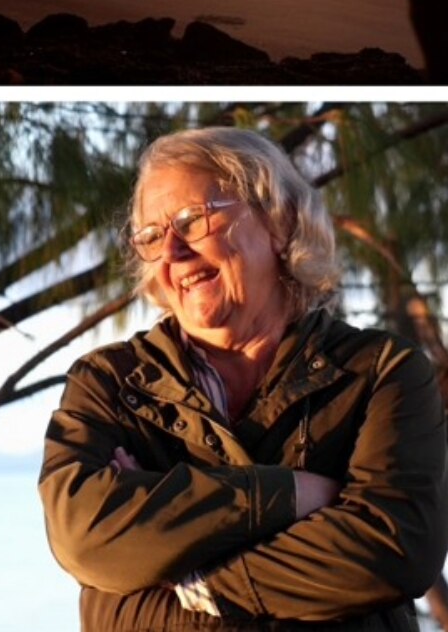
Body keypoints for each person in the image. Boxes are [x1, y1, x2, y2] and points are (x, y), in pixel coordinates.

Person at [39, 128, 448, 632]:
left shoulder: (381, 371)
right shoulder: (109, 383)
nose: (171, 252)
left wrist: (192, 582)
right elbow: (86, 536)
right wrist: (291, 496)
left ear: (279, 222)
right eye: (149, 235)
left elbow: (394, 547)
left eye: (192, 220)